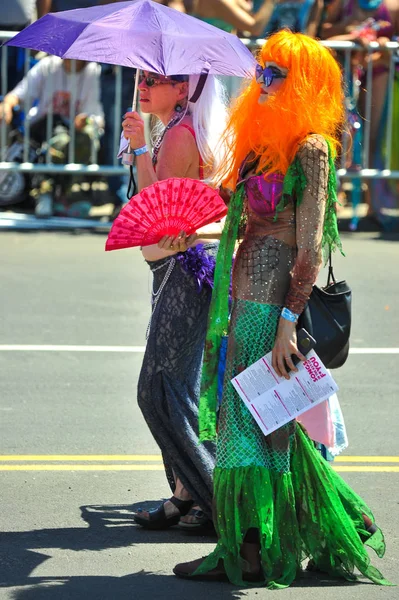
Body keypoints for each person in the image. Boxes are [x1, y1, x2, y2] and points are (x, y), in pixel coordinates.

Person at [173, 31, 392, 587]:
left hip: (272, 305)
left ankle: (247, 550)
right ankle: (343, 515)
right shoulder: (261, 145)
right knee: (261, 420)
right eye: (261, 71)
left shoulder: (312, 148)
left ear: (305, 85)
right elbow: (233, 213)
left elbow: (311, 245)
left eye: (275, 74)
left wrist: (288, 324)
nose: (261, 81)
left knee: (247, 423)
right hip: (239, 289)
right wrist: (181, 222)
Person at [120, 70, 228, 532]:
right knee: (178, 388)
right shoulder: (175, 129)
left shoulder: (180, 136)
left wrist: (141, 146)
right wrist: (144, 144)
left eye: (156, 80)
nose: (143, 86)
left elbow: (155, 209)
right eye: (142, 78)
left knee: (159, 389)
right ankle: (191, 495)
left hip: (185, 272)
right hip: (174, 270)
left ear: (183, 90)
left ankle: (215, 498)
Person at [0, 56, 104, 217]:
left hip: (73, 131)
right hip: (42, 127)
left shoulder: (93, 71)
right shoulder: (47, 65)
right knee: (60, 140)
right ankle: (46, 191)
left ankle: (62, 194)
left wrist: (84, 121)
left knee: (83, 139)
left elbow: (94, 115)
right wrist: (7, 104)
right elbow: (19, 93)